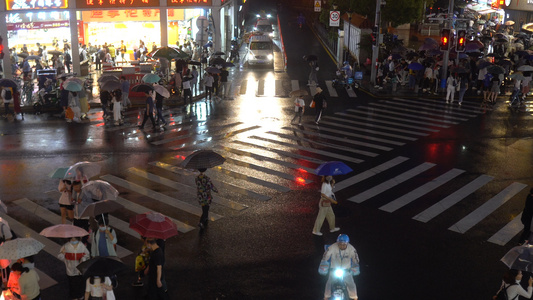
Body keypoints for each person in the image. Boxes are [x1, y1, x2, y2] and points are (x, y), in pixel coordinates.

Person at [320, 234, 359, 300]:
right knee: (329, 283)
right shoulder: (332, 247)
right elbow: (325, 256)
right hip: (334, 270)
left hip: (347, 271)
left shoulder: (351, 249)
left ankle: (355, 297)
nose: (342, 245)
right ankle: (326, 297)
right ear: (338, 243)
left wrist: (355, 266)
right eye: (340, 244)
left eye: (344, 244)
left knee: (351, 285)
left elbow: (356, 259)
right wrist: (323, 263)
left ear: (347, 243)